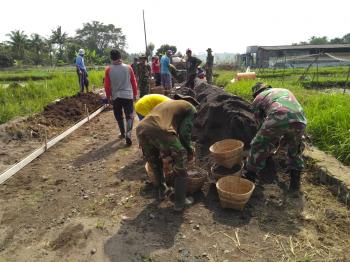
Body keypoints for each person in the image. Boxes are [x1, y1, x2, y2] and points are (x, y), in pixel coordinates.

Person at [244, 83, 307, 192]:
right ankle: (295, 184)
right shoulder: (284, 90)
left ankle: (250, 176)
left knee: (258, 144)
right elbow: (289, 113)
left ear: (256, 93)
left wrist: (266, 143)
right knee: (294, 150)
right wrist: (278, 139)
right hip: (300, 119)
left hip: (279, 116)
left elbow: (260, 124)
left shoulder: (258, 98)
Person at [136, 100, 197, 211]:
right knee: (181, 155)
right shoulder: (191, 110)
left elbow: (171, 132)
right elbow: (184, 134)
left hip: (141, 128)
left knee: (155, 162)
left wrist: (168, 152)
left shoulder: (170, 105)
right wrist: (189, 150)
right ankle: (180, 202)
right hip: (156, 128)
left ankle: (162, 191)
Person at [104, 49, 138, 146]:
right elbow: (133, 82)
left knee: (118, 115)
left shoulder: (108, 69)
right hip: (128, 95)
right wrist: (135, 94)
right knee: (130, 115)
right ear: (120, 57)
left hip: (116, 96)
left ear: (111, 58)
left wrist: (108, 97)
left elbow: (107, 86)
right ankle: (128, 134)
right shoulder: (128, 68)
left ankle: (122, 133)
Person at [135, 93, 200, 120]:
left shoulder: (170, 102)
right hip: (143, 106)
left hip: (141, 104)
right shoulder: (169, 104)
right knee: (149, 125)